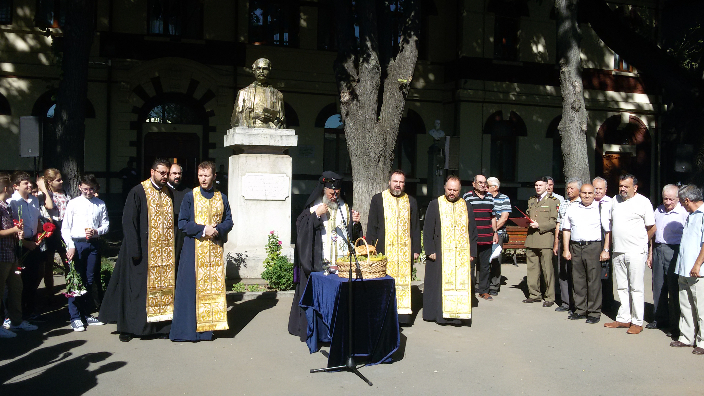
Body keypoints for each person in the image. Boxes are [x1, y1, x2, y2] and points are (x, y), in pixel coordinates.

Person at [99, 159, 177, 342]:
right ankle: (130, 328)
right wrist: (135, 250)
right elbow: (129, 221)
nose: (165, 176)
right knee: (136, 290)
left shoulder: (168, 193)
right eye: (162, 173)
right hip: (141, 250)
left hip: (163, 253)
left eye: (167, 173)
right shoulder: (138, 191)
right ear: (152, 172)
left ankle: (160, 326)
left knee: (162, 290)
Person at [287, 171, 362, 341]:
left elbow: (351, 236)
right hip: (318, 262)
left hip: (340, 263)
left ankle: (337, 331)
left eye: (337, 193)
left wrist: (355, 223)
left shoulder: (345, 207)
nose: (334, 196)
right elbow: (301, 231)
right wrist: (316, 216)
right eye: (331, 193)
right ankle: (317, 332)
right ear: (324, 190)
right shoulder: (314, 207)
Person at [170, 161, 233, 342]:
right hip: (193, 250)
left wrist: (219, 229)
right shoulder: (191, 196)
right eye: (200, 176)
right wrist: (204, 229)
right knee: (191, 290)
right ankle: (188, 331)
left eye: (206, 175)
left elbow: (229, 221)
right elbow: (182, 223)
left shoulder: (222, 197)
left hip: (213, 251)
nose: (203, 179)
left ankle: (208, 330)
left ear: (214, 176)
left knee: (210, 291)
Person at [366, 170, 421, 323]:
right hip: (384, 250)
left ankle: (403, 316)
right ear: (389, 182)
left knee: (404, 282)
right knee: (383, 282)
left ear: (404, 184)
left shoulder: (411, 201)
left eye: (401, 182)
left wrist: (416, 249)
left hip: (405, 251)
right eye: (395, 181)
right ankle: (384, 314)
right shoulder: (378, 199)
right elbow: (372, 226)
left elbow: (415, 226)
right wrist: (370, 248)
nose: (398, 185)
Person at [423, 175, 478, 325]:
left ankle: (457, 316)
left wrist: (472, 252)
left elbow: (472, 231)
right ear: (444, 188)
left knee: (458, 285)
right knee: (438, 285)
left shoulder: (466, 206)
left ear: (460, 190)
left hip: (460, 254)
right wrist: (429, 250)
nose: (452, 192)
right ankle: (438, 315)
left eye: (455, 190)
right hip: (440, 252)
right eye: (449, 189)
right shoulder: (436, 204)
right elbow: (427, 229)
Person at [604, 174, 655, 334]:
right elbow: (611, 224)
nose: (623, 189)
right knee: (622, 287)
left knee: (636, 288)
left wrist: (642, 243)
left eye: (626, 186)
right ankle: (624, 318)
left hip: (635, 251)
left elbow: (652, 227)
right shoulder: (615, 200)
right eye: (621, 186)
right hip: (618, 250)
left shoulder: (643, 202)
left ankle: (637, 321)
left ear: (635, 187)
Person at [61, 174, 109, 332]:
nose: (88, 192)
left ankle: (86, 313)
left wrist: (97, 231)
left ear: (95, 188)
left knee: (89, 280)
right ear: (80, 187)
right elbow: (65, 228)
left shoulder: (100, 204)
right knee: (76, 280)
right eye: (85, 189)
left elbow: (106, 224)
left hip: (93, 244)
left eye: (91, 189)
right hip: (77, 243)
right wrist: (70, 245)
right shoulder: (74, 204)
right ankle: (75, 316)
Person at [562, 184, 611, 324]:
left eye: (590, 193)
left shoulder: (600, 208)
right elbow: (566, 229)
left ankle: (594, 312)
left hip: (593, 247)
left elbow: (608, 231)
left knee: (593, 281)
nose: (587, 195)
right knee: (578, 279)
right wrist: (566, 249)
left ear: (594, 193)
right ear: (580, 193)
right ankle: (580, 309)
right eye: (584, 193)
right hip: (576, 246)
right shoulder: (572, 208)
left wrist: (605, 249)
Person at [0, 173, 37, 337]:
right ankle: (2, 324)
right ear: (7, 188)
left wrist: (17, 235)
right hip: (1, 256)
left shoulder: (5, 206)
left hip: (11, 253)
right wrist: (14, 230)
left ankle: (16, 320)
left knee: (16, 287)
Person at [647, 184, 687, 334]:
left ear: (677, 199)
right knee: (658, 286)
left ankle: (675, 323)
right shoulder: (658, 210)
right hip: (658, 249)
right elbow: (653, 232)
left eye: (671, 199)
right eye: (665, 199)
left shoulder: (683, 212)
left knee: (673, 287)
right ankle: (659, 318)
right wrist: (651, 254)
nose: (668, 202)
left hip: (674, 250)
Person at [669, 185, 704, 353]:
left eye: (681, 202)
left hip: (698, 270)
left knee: (701, 307)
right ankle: (687, 337)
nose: (681, 205)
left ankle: (703, 341)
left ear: (687, 200)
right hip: (684, 268)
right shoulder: (691, 215)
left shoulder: (703, 214)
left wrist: (697, 263)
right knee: (686, 305)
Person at [8, 171, 42, 319]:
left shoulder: (34, 200)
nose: (29, 185)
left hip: (34, 242)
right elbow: (11, 225)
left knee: (35, 277)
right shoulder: (12, 202)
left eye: (29, 182)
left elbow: (36, 220)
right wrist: (24, 242)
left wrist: (39, 235)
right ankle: (19, 312)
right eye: (25, 183)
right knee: (21, 280)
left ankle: (31, 309)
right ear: (16, 186)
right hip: (20, 244)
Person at [524, 176, 559, 307]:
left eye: (540, 185)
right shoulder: (532, 200)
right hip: (532, 239)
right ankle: (534, 294)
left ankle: (549, 297)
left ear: (547, 186)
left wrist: (539, 225)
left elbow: (553, 222)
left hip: (545, 239)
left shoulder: (552, 201)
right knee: (532, 269)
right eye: (536, 185)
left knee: (547, 270)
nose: (538, 187)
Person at [463, 175, 498, 301]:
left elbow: (493, 216)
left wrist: (495, 232)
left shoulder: (489, 197)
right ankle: (470, 292)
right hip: (472, 239)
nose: (483, 185)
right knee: (470, 267)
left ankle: (484, 291)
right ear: (474, 184)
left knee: (484, 266)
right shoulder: (467, 197)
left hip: (487, 237)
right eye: (480, 182)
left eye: (485, 183)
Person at [40, 168, 71, 298]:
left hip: (64, 226)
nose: (61, 181)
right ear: (50, 182)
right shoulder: (45, 194)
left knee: (67, 260)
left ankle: (70, 287)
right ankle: (49, 291)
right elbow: (49, 207)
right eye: (58, 180)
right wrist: (44, 189)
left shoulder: (64, 192)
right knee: (49, 261)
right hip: (52, 226)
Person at [231, 58, 286, 129]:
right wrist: (255, 115)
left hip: (271, 132)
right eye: (258, 68)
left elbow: (282, 120)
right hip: (250, 132)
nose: (261, 71)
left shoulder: (278, 95)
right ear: (254, 71)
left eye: (265, 69)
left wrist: (276, 120)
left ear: (269, 71)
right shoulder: (244, 93)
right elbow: (236, 120)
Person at [555, 178, 582, 313]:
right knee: (563, 271)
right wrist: (556, 243)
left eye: (572, 188)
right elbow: (558, 224)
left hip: (575, 240)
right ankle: (565, 302)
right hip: (562, 239)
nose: (569, 190)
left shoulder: (582, 203)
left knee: (575, 273)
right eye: (568, 188)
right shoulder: (564, 203)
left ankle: (576, 303)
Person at [593, 176, 614, 312]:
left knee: (605, 274)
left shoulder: (612, 203)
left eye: (601, 189)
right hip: (592, 240)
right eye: (595, 188)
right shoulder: (589, 202)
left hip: (606, 239)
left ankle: (607, 304)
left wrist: (606, 248)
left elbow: (610, 228)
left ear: (605, 190)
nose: (598, 191)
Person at [487, 177, 511, 294]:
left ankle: (494, 286)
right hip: (484, 233)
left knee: (496, 260)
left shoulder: (504, 198)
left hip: (498, 233)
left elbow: (504, 217)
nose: (485, 188)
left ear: (495, 187)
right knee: (483, 259)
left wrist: (494, 230)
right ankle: (481, 284)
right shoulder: (485, 198)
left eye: (488, 186)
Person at [167, 163, 188, 279]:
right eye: (174, 173)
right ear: (169, 174)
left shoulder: (188, 192)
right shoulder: (164, 191)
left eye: (179, 173)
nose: (177, 176)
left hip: (181, 234)